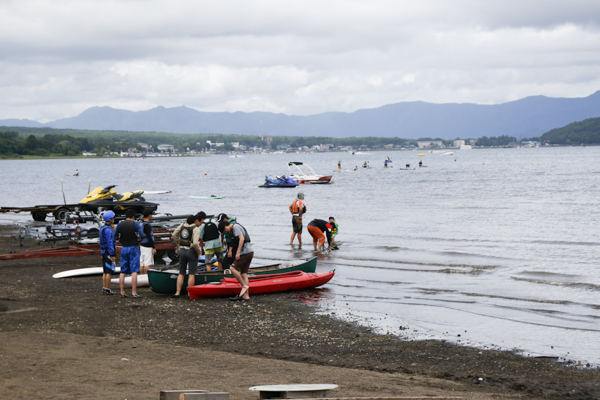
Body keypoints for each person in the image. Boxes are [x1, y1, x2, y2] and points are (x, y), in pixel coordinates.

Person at [171, 212, 205, 298]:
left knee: (181, 273)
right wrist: (199, 252)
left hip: (182, 250)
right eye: (201, 222)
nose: (200, 225)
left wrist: (178, 244)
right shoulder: (196, 229)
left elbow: (174, 235)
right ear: (196, 221)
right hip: (191, 251)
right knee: (191, 273)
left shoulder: (182, 225)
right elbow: (195, 243)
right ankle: (190, 293)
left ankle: (177, 293)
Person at [218, 220, 253, 301]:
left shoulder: (235, 227)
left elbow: (242, 238)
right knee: (243, 273)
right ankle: (246, 296)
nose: (225, 232)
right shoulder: (233, 229)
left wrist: (238, 252)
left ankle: (244, 286)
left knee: (232, 268)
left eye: (224, 230)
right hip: (249, 252)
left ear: (225, 226)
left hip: (245, 252)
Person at [115, 208, 145, 298]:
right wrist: (139, 240)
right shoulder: (135, 223)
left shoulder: (120, 224)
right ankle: (134, 292)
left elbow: (115, 236)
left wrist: (121, 240)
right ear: (133, 216)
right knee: (134, 270)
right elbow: (142, 235)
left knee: (123, 270)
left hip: (124, 248)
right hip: (133, 247)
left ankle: (122, 292)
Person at [99, 210, 117, 295]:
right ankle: (107, 288)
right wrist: (112, 254)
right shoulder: (108, 230)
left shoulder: (103, 228)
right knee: (109, 271)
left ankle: (104, 287)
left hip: (104, 251)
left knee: (105, 271)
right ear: (110, 219)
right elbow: (110, 243)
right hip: (108, 252)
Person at [139, 208, 156, 275]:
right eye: (151, 214)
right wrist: (153, 247)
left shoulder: (141, 224)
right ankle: (147, 276)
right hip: (147, 245)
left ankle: (141, 276)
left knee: (142, 262)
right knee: (147, 262)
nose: (151, 216)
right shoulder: (147, 225)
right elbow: (149, 236)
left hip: (142, 244)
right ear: (149, 215)